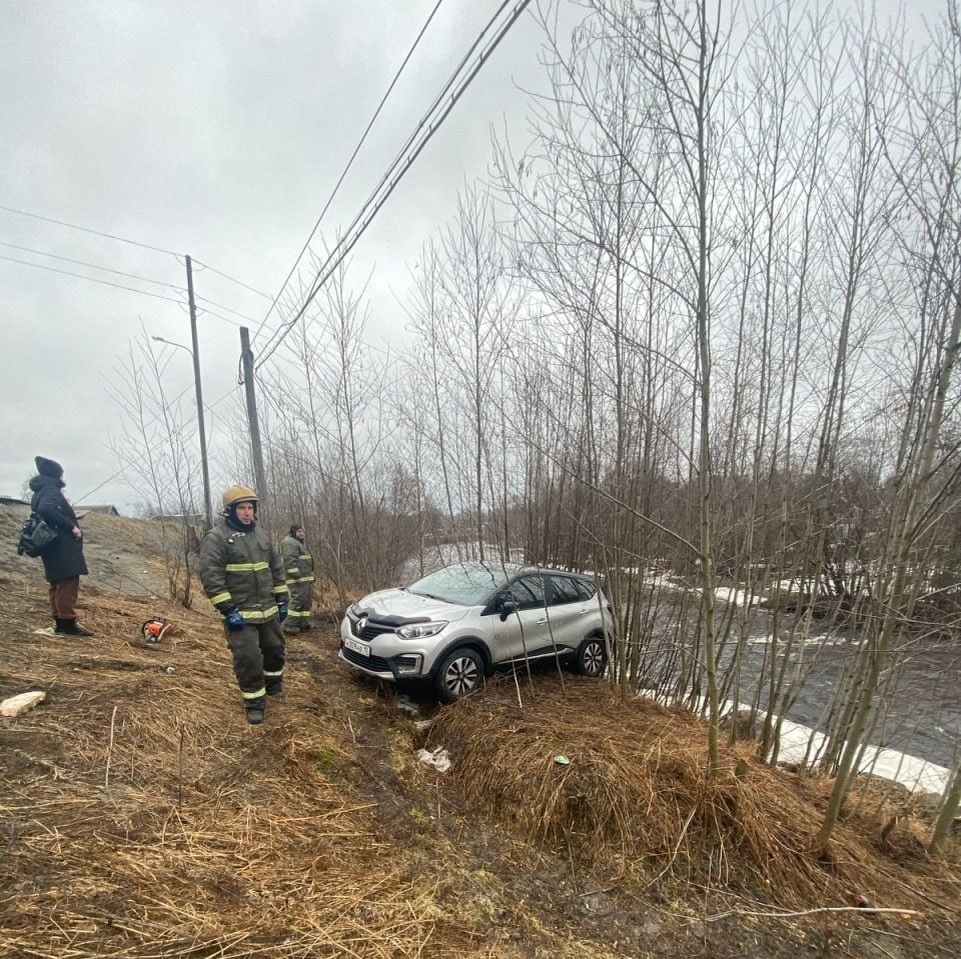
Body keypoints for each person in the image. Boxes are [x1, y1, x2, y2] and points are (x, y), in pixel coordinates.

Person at [199, 484, 290, 725]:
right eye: (242, 508)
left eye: (250, 508)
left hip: (268, 610)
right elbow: (211, 576)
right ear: (230, 511)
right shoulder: (216, 538)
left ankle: (273, 686)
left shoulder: (261, 535)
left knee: (275, 651)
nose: (247, 513)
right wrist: (228, 609)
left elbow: (276, 567)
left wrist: (282, 599)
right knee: (248, 658)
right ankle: (254, 703)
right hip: (240, 614)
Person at [28, 456, 93, 636]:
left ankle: (60, 622)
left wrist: (71, 516)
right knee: (68, 582)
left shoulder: (41, 490)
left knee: (56, 583)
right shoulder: (50, 490)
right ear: (56, 474)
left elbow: (47, 511)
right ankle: (67, 624)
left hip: (52, 546)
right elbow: (47, 509)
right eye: (61, 474)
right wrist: (72, 526)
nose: (63, 477)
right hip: (61, 546)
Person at [281, 524, 315, 634]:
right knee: (297, 601)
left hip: (305, 578)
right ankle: (289, 625)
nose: (301, 534)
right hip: (297, 579)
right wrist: (296, 576)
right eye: (299, 531)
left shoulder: (298, 543)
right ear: (293, 532)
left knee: (306, 602)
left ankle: (303, 623)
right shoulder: (289, 543)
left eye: (302, 531)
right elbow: (289, 561)